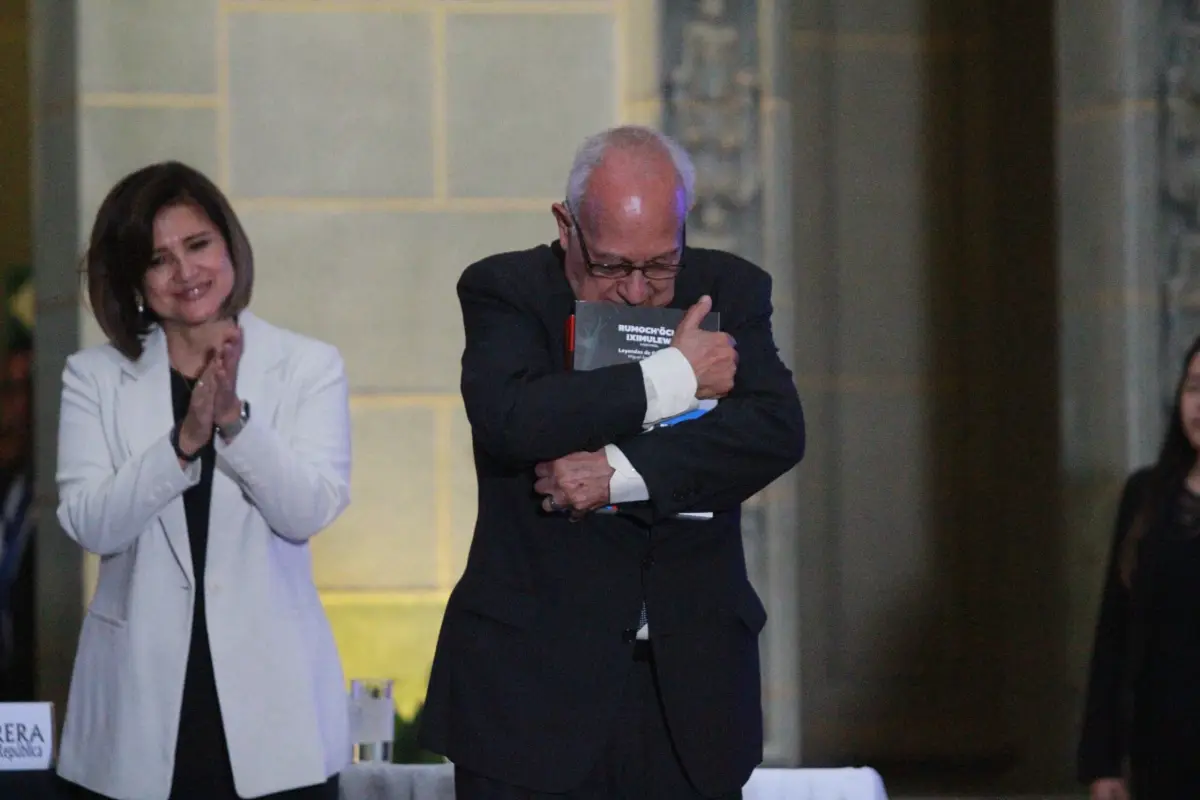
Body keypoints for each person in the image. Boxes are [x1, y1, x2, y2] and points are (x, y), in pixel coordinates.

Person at [419, 125, 805, 799]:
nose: (636, 290)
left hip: (688, 698)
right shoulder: (506, 291)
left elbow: (773, 430)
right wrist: (676, 378)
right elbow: (514, 417)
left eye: (660, 265)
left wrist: (618, 474)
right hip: (529, 701)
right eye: (611, 266)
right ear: (566, 225)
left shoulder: (730, 290)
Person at [54, 162, 352, 800]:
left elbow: (306, 511)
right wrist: (184, 442)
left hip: (275, 712)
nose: (185, 273)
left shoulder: (307, 365)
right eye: (158, 259)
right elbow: (89, 523)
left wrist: (234, 423)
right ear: (135, 279)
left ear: (230, 245)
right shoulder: (94, 377)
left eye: (198, 245)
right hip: (137, 709)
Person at [1079, 333, 1200, 799]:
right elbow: (1114, 632)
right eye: (1193, 387)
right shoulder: (1146, 497)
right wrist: (1101, 761)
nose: (1199, 404)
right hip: (1158, 753)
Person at [0, 334, 35, 702]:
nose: (20, 406)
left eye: (30, 388)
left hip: (40, 686)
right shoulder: (9, 486)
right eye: (11, 389)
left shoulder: (62, 492)